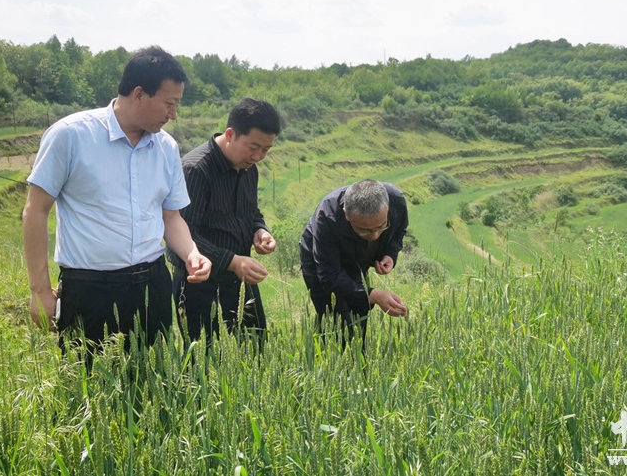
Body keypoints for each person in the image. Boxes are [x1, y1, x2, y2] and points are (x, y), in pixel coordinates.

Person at [23, 45, 211, 362]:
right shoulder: (71, 135)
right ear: (138, 94)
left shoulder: (166, 147)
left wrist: (191, 253)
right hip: (90, 290)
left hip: (152, 285)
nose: (173, 115)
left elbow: (171, 217)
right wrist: (39, 290)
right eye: (170, 104)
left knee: (152, 379)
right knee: (87, 382)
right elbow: (35, 211)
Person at [168, 97, 281, 349]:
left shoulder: (249, 167)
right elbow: (184, 232)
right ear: (230, 134)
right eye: (253, 147)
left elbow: (251, 211)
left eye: (266, 150)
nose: (258, 156)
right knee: (206, 361)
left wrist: (260, 230)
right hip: (199, 285)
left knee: (256, 353)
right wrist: (233, 261)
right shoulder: (196, 169)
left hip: (240, 281)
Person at [299, 179, 409, 348]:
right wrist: (373, 295)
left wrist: (390, 254)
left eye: (381, 226)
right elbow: (329, 277)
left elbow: (399, 231)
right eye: (365, 230)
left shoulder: (396, 201)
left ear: (387, 209)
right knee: (335, 320)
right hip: (321, 261)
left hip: (357, 256)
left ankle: (358, 355)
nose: (374, 236)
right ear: (347, 215)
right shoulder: (327, 216)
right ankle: (332, 357)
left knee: (359, 314)